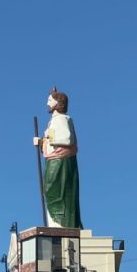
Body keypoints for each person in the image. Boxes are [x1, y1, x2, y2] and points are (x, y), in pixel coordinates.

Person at [33, 86, 83, 228]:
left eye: (50, 100)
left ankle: (61, 224)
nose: (47, 103)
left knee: (55, 191)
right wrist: (42, 141)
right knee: (49, 190)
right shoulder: (54, 120)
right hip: (53, 161)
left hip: (60, 163)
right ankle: (55, 224)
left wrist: (47, 138)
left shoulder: (62, 119)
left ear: (57, 103)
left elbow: (67, 139)